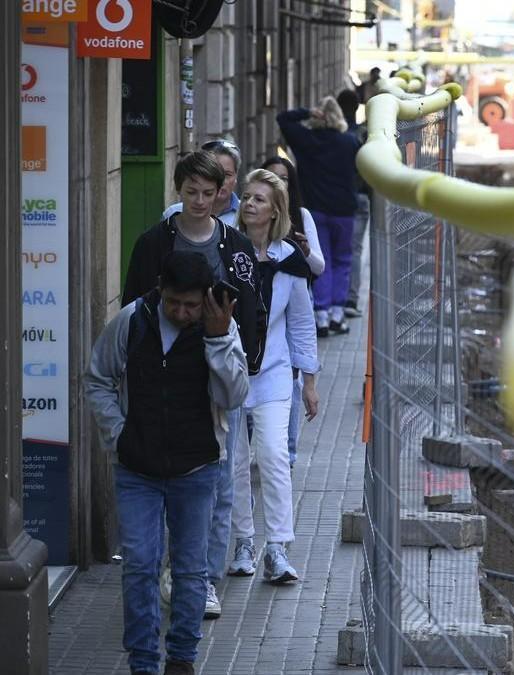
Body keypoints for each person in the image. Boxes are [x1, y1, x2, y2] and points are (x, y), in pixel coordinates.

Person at [85, 251, 250, 675]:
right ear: (161, 291)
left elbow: (234, 398)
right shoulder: (132, 321)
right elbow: (98, 378)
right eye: (174, 302)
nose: (181, 312)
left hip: (196, 469)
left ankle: (181, 658)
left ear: (205, 300)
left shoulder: (219, 327)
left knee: (191, 570)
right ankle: (143, 661)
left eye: (191, 305)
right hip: (136, 468)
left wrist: (216, 338)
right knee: (139, 564)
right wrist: (117, 434)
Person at [123, 151, 264, 619]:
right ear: (177, 190)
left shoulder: (236, 245)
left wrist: (247, 364)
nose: (201, 201)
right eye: (192, 193)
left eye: (210, 192)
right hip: (163, 382)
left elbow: (251, 307)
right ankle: (172, 568)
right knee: (164, 478)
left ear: (223, 191)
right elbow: (132, 309)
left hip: (219, 379)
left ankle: (202, 578)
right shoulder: (152, 244)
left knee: (221, 483)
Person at [227, 169, 320, 584]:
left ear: (275, 210)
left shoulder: (289, 260)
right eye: (246, 196)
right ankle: (244, 541)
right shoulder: (225, 250)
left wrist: (310, 381)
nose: (249, 203)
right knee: (234, 462)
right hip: (227, 372)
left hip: (274, 372)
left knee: (273, 455)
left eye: (259, 199)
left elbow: (301, 322)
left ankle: (278, 548)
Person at [276, 97, 362, 337]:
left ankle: (321, 317)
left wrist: (307, 111)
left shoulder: (306, 141)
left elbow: (283, 118)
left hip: (315, 211)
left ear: (318, 116)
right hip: (344, 211)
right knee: (343, 260)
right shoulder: (350, 142)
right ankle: (337, 314)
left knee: (320, 261)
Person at [262, 155, 324, 469]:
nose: (278, 183)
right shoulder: (251, 224)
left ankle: (288, 452)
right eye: (271, 176)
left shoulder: (301, 215)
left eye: (283, 178)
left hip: (296, 303)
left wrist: (304, 251)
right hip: (266, 311)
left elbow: (319, 267)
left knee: (293, 376)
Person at [336, 88, 371, 319]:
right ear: (357, 107)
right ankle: (350, 299)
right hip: (359, 197)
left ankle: (334, 301)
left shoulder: (334, 136)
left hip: (336, 200)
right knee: (354, 251)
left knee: (333, 252)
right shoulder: (363, 135)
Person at [163, 139, 242, 226]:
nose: (221, 180)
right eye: (214, 173)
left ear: (235, 178)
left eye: (227, 174)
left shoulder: (246, 213)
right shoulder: (173, 214)